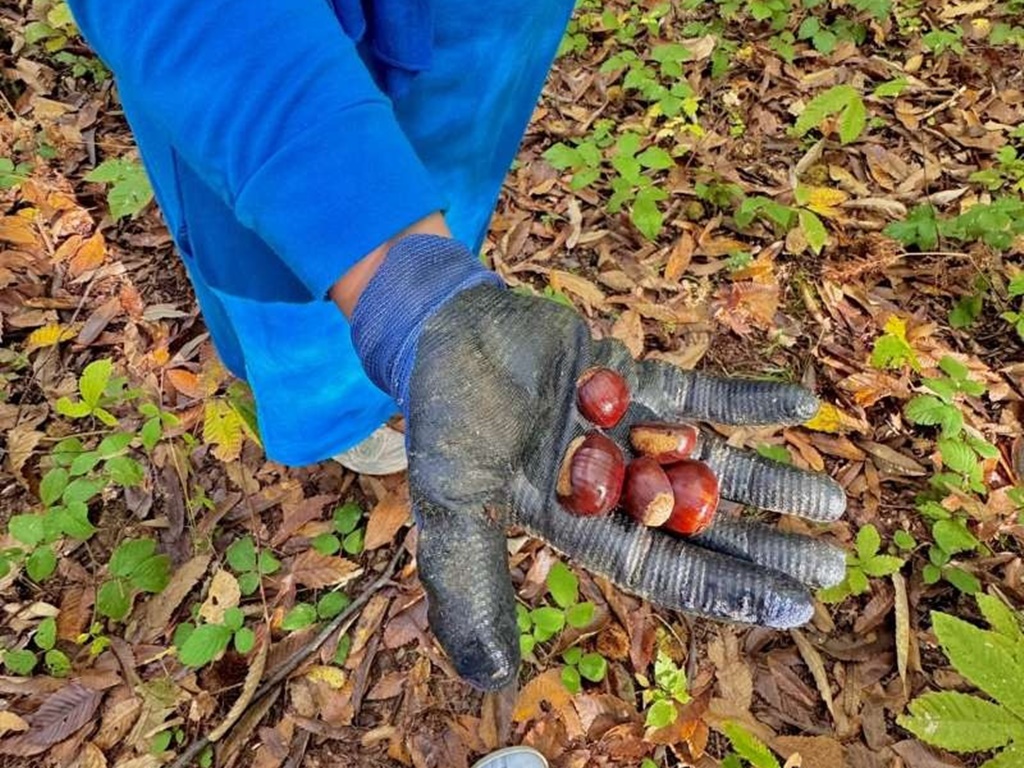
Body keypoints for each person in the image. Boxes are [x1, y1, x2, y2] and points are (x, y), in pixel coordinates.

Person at [66, 0, 846, 746]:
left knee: (445, 204)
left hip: (478, 41)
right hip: (266, 84)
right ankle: (360, 407)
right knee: (302, 308)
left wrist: (437, 278)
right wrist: (407, 292)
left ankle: (402, 364)